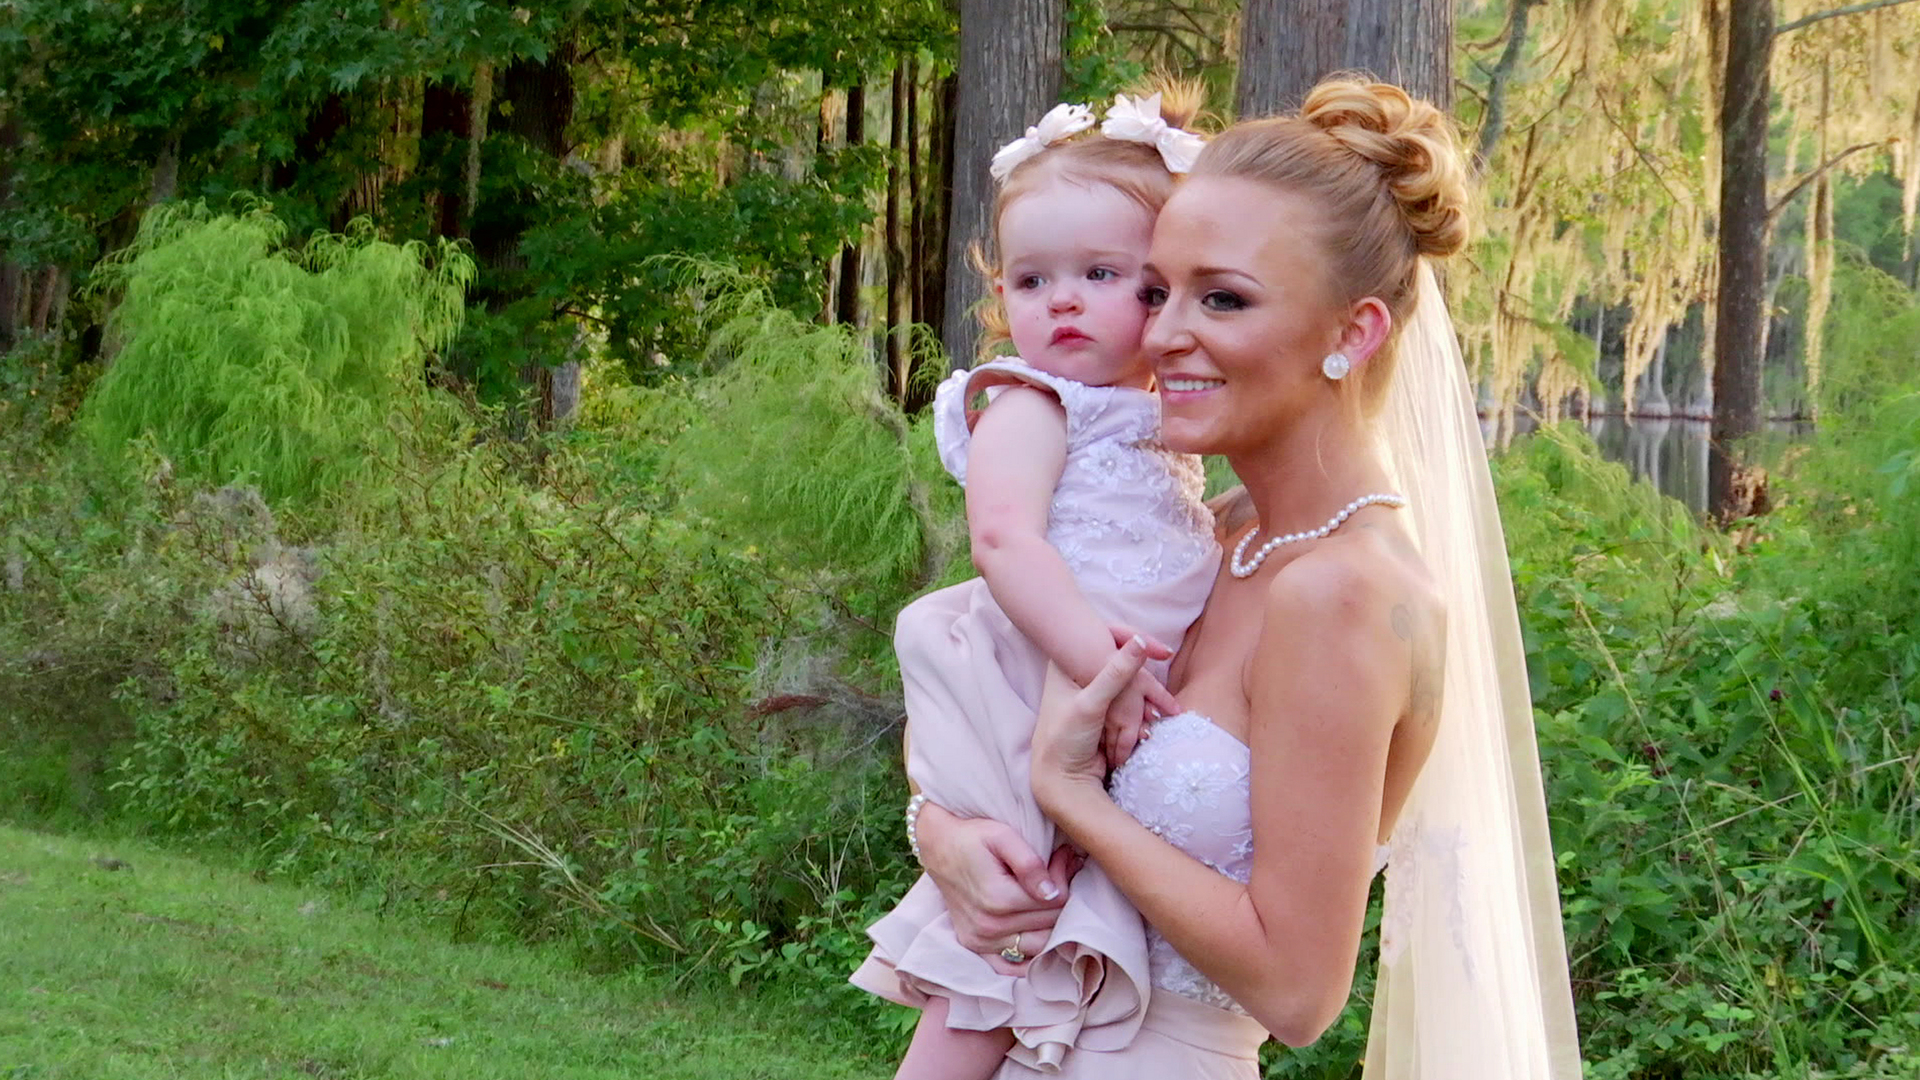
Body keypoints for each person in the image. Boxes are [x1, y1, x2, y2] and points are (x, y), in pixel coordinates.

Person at [912, 76, 1583, 1078]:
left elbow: (1300, 993)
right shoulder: (1206, 536)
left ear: (1352, 334)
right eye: (1158, 290)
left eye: (1221, 297)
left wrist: (1073, 796)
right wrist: (945, 833)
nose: (1162, 334)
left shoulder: (1348, 594)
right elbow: (994, 688)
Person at [848, 88, 1222, 1078]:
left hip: (1096, 702)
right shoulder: (1034, 401)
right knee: (1002, 937)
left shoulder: (1160, 423)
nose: (1059, 300)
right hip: (1039, 693)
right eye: (1030, 278)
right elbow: (1004, 541)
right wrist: (1104, 669)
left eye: (1101, 275)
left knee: (1048, 918)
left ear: (1165, 294)